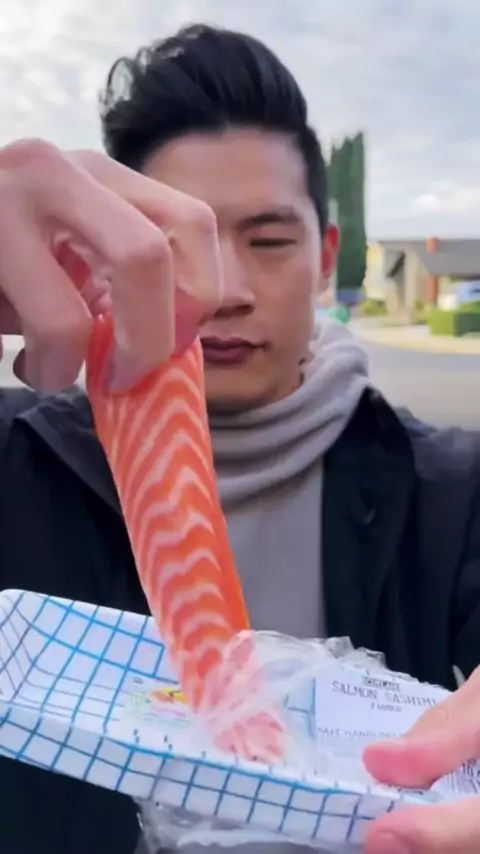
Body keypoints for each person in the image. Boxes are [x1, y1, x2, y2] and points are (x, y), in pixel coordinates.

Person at [0, 23, 479, 854]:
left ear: (326, 257)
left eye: (269, 241)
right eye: (169, 246)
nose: (222, 289)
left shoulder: (452, 490)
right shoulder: (17, 460)